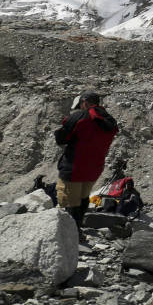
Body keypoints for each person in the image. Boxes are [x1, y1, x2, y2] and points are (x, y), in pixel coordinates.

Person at [53, 91, 120, 237]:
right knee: (83, 198)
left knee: (70, 202)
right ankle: (77, 230)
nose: (80, 108)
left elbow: (61, 139)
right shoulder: (110, 120)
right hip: (94, 168)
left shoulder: (80, 117)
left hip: (74, 167)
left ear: (85, 102)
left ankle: (71, 235)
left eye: (80, 105)